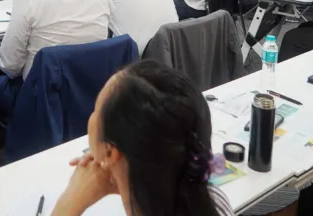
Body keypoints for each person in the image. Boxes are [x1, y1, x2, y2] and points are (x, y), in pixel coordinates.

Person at [52, 61, 234, 216]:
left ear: (110, 152)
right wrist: (130, 180)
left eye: (95, 110)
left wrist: (69, 203)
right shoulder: (216, 201)